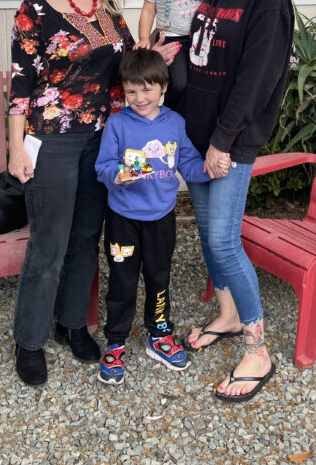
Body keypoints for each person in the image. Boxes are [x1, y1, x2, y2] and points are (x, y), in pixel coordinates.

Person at [7, 0, 176, 387]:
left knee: (85, 237)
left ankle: (71, 325)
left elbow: (126, 66)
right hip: (53, 139)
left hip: (102, 138)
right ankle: (30, 340)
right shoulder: (34, 11)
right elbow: (20, 86)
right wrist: (16, 147)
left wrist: (153, 53)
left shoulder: (106, 6)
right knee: (49, 242)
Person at [180, 0, 295, 404]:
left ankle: (258, 349)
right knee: (208, 235)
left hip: (230, 138)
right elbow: (205, 55)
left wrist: (223, 141)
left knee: (225, 243)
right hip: (197, 134)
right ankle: (227, 315)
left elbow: (257, 77)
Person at [94, 48, 229, 385]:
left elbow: (187, 163)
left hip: (161, 220)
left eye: (147, 89)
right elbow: (103, 167)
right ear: (123, 91)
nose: (140, 98)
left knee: (159, 278)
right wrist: (119, 175)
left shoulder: (175, 123)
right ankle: (115, 341)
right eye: (131, 91)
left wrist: (210, 170)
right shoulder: (117, 123)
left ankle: (159, 334)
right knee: (122, 281)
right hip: (122, 219)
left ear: (164, 86)